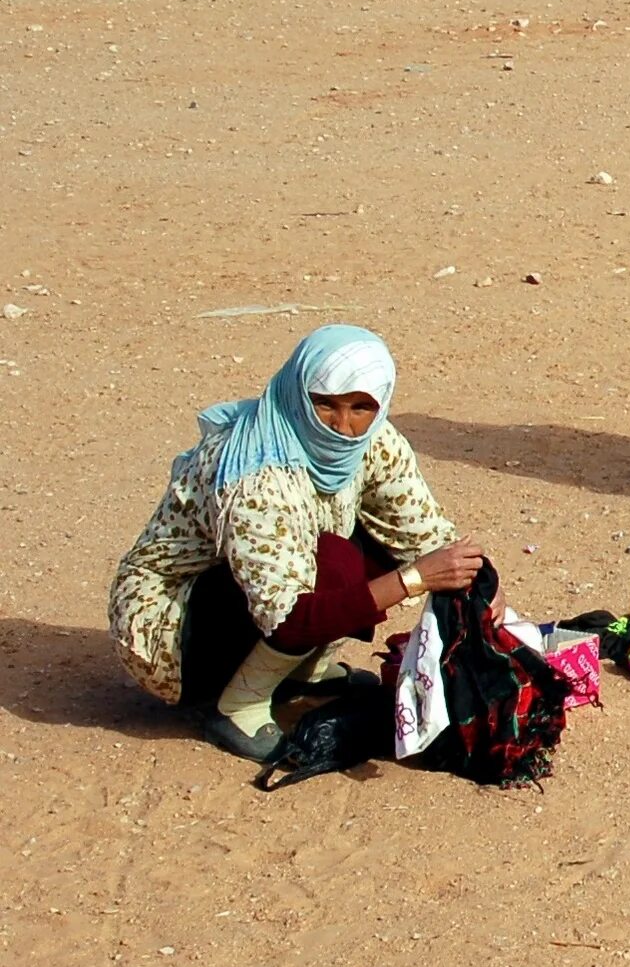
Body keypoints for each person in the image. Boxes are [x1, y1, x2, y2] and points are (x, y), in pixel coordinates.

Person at [108, 326, 486, 761]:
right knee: (337, 564)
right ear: (297, 393)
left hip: (263, 592)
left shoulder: (373, 441)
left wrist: (483, 593)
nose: (342, 426)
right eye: (324, 403)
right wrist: (414, 579)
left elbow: (422, 532)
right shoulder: (256, 473)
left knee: (376, 543)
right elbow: (288, 615)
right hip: (172, 633)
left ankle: (302, 672)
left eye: (361, 407)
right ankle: (239, 706)